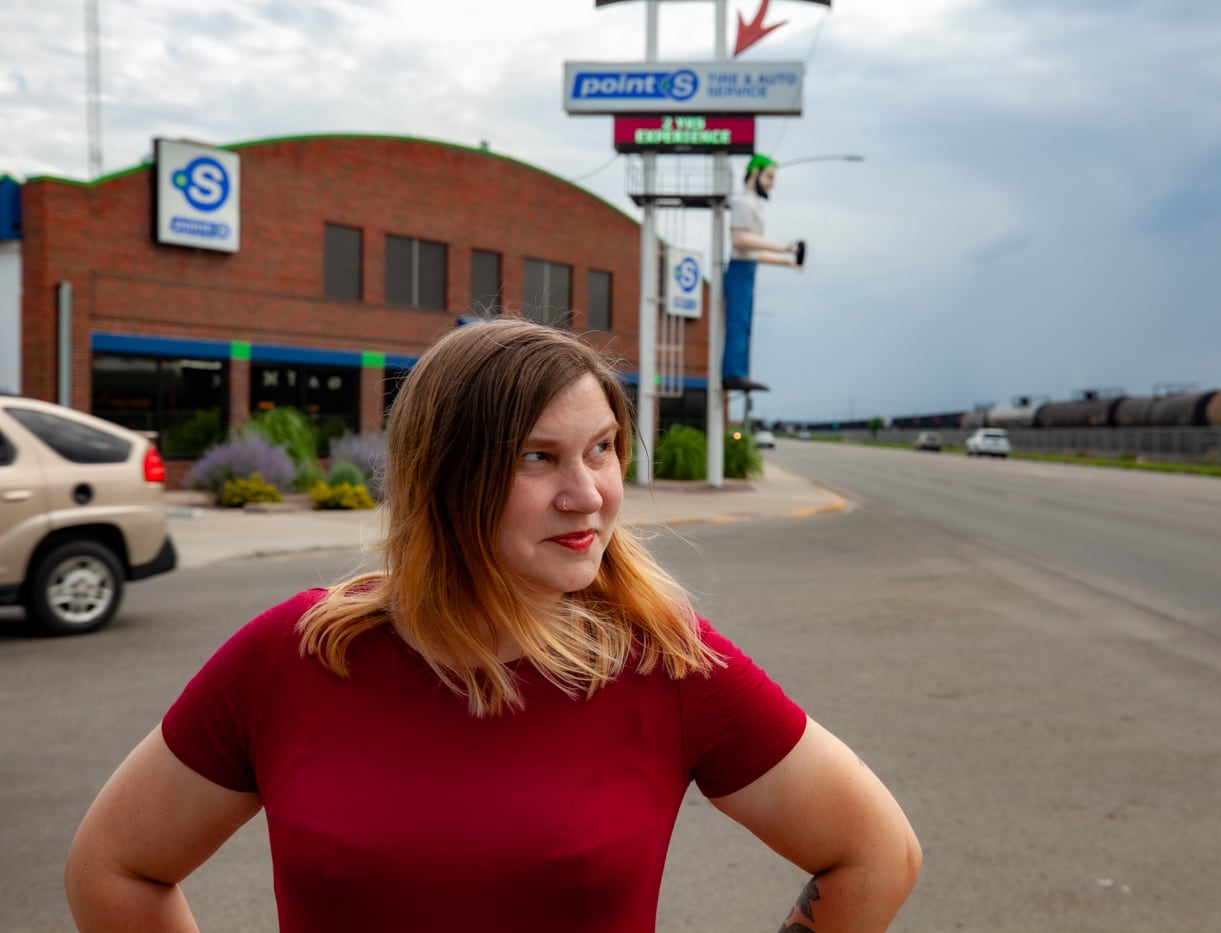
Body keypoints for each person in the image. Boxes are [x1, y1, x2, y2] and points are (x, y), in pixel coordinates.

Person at [65, 318, 920, 932]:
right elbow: (113, 870)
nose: (588, 493)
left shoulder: (666, 664)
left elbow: (876, 854)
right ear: (446, 477)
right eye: (536, 456)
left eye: (602, 448)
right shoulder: (295, 655)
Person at [722, 153, 806, 393]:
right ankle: (732, 372)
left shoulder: (754, 205)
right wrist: (784, 248)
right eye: (769, 176)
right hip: (739, 270)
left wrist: (786, 261)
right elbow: (741, 241)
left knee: (744, 322)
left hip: (748, 268)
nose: (772, 183)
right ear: (755, 173)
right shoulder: (743, 203)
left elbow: (753, 251)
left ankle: (739, 371)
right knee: (737, 322)